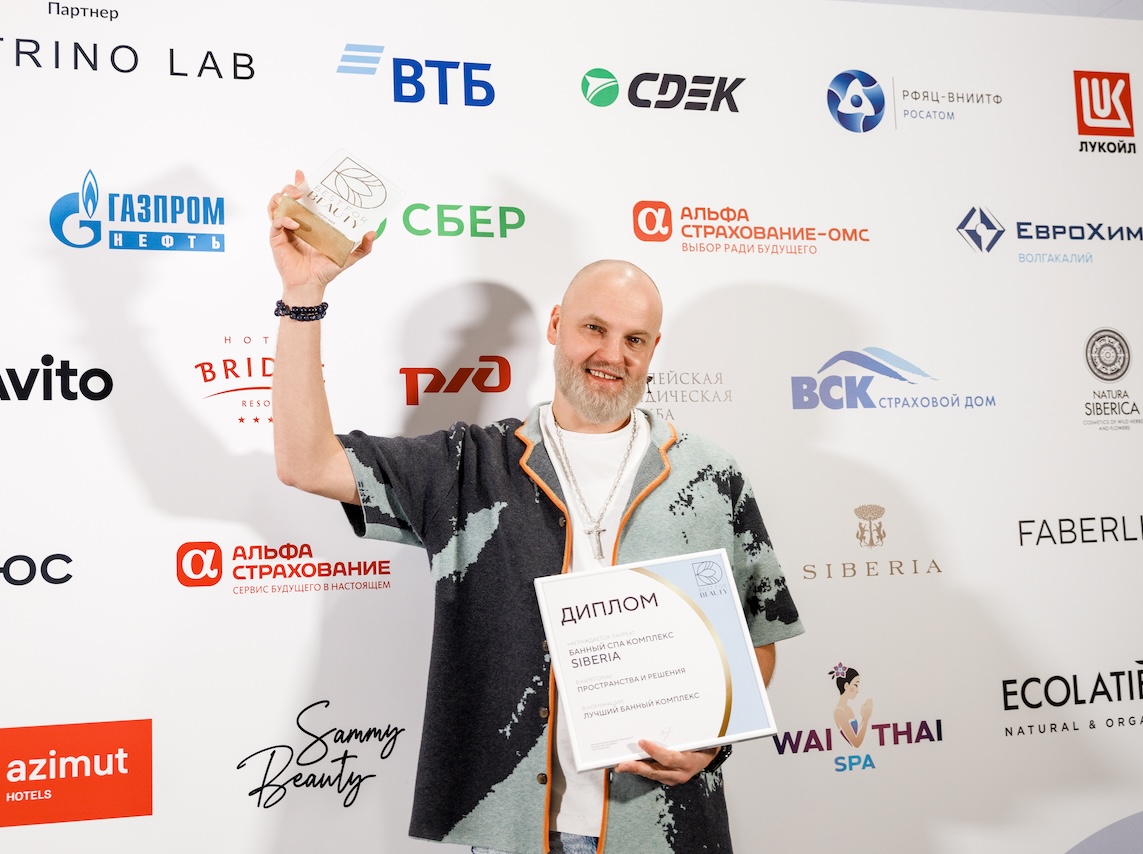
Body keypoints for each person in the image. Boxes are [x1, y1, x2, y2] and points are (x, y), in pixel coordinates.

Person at [267, 173, 804, 854]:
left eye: (635, 339)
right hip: (517, 834)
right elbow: (306, 462)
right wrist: (303, 296)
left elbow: (757, 640)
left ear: (653, 350)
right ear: (555, 326)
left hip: (664, 831)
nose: (612, 356)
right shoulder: (467, 467)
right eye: (594, 328)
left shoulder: (711, 475)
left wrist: (710, 739)